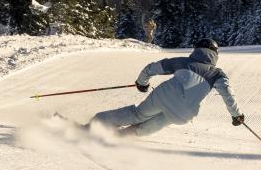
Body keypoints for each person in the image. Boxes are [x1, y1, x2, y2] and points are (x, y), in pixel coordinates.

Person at [90, 38, 245, 137]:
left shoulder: (182, 62)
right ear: (215, 55)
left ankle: (98, 123)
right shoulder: (217, 74)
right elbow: (228, 95)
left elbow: (152, 68)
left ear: (196, 50)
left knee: (138, 114)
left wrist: (142, 82)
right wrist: (236, 115)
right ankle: (127, 135)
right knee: (164, 120)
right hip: (185, 113)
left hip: (164, 95)